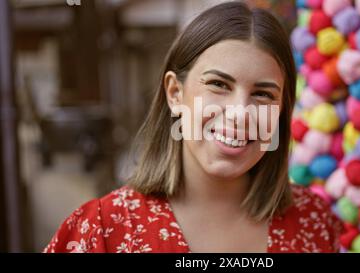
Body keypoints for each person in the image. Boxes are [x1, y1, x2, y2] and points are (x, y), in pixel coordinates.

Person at [44, 1, 342, 253]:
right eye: (218, 84)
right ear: (175, 93)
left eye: (263, 94)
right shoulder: (102, 231)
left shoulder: (313, 221)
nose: (240, 113)